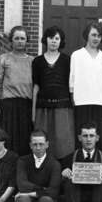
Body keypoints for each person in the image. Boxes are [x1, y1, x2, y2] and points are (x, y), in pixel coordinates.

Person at [32, 25, 75, 160]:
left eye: (57, 38)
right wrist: (33, 112)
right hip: (43, 108)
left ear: (61, 41)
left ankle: (63, 172)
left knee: (62, 142)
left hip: (62, 108)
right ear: (46, 40)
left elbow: (72, 85)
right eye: (51, 38)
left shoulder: (67, 60)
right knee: (43, 140)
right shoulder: (37, 61)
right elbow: (36, 87)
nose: (54, 41)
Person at [70, 22, 102, 153]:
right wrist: (73, 102)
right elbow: (72, 83)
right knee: (82, 138)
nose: (96, 38)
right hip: (81, 103)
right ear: (86, 36)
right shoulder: (76, 55)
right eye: (93, 35)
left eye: (99, 36)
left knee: (100, 138)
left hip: (101, 104)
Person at [0, 26, 33, 156]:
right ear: (11, 41)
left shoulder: (32, 61)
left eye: (22, 38)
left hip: (25, 106)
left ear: (27, 41)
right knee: (9, 140)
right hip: (8, 105)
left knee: (24, 140)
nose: (19, 41)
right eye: (16, 38)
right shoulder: (4, 59)